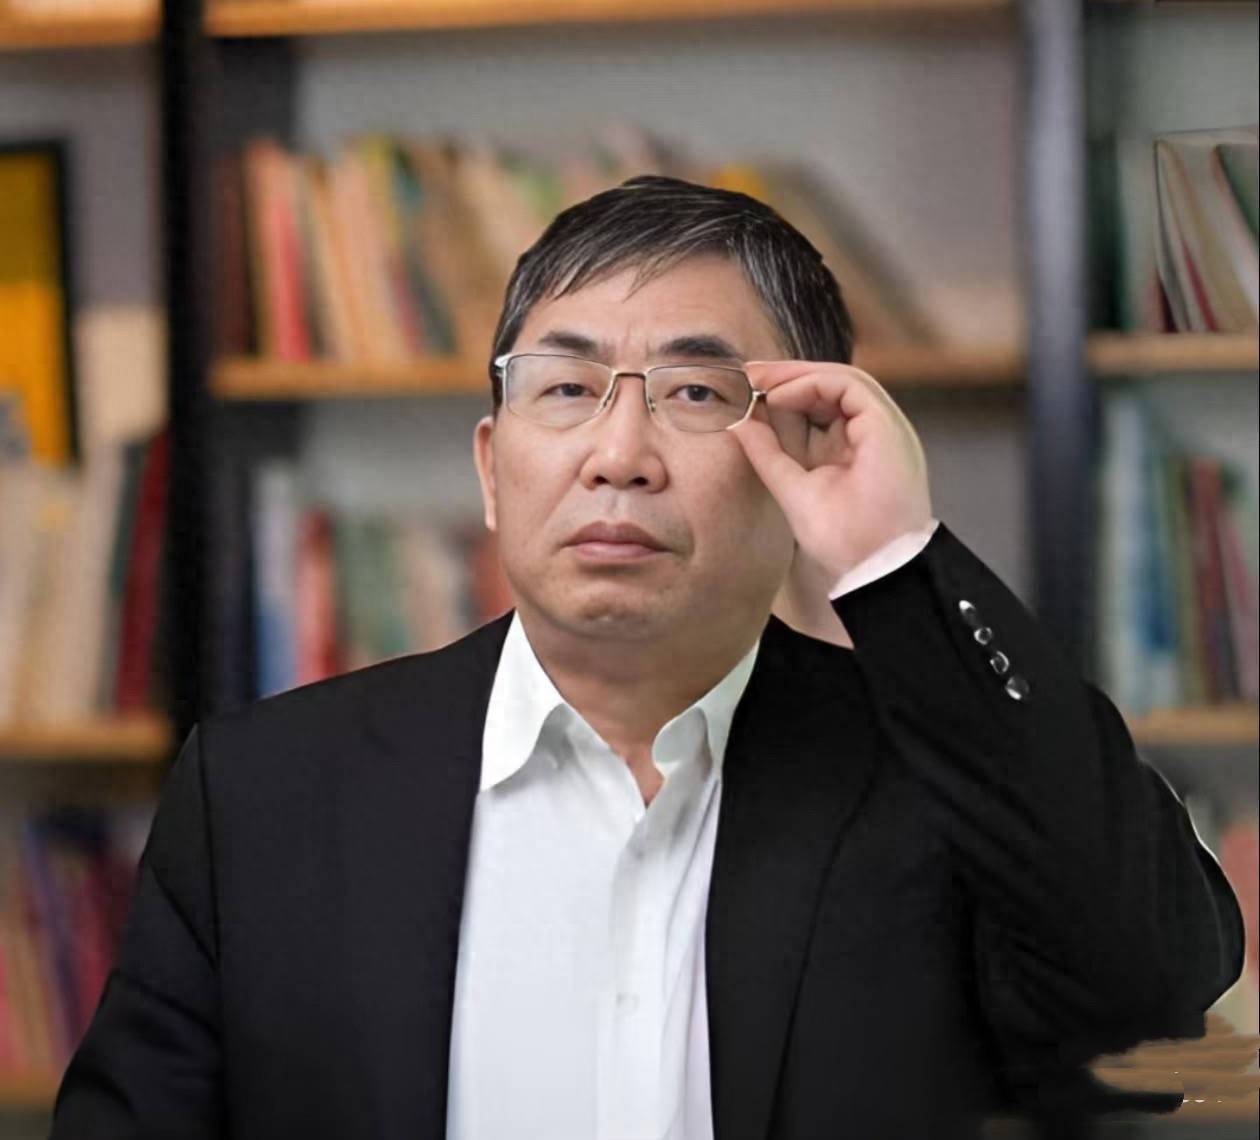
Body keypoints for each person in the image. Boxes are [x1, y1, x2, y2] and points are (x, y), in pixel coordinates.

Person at [49, 175, 1243, 1140]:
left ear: (801, 458)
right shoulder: (263, 796)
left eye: (694, 393)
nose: (619, 453)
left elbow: (1152, 993)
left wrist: (897, 559)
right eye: (567, 387)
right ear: (491, 466)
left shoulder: (937, 784)